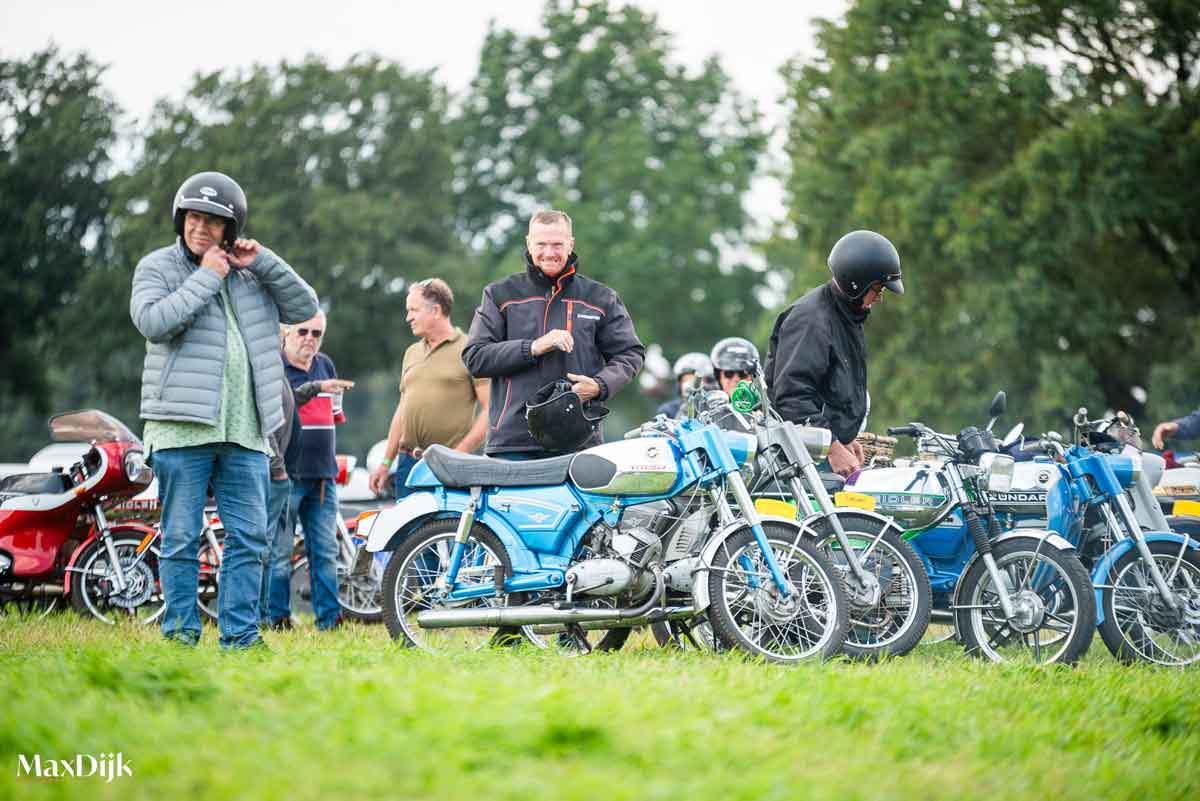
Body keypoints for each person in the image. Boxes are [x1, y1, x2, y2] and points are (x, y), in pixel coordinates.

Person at [130, 170, 318, 649]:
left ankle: (239, 637)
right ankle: (179, 636)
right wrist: (207, 276)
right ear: (181, 219)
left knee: (251, 538)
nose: (201, 228)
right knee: (179, 538)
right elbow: (154, 323)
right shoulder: (156, 267)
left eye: (213, 222)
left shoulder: (254, 273)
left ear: (230, 229)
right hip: (180, 427)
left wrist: (265, 261)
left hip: (247, 431)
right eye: (194, 217)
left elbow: (305, 305)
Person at [463, 209, 645, 457]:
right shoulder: (498, 295)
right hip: (512, 444)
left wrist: (600, 385)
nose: (549, 253)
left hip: (579, 439)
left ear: (570, 245)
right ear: (528, 243)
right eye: (541, 244)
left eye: (557, 244)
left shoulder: (602, 298)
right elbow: (475, 357)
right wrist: (534, 347)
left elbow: (630, 354)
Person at [764, 229, 904, 478]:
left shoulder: (846, 316)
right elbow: (792, 397)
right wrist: (831, 448)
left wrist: (844, 440)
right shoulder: (811, 320)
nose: (880, 298)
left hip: (818, 451)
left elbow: (832, 390)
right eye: (879, 288)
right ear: (857, 283)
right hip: (800, 459)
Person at [368, 278, 490, 499]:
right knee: (407, 532)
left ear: (435, 310)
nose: (408, 317)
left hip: (447, 466)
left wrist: (459, 454)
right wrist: (386, 462)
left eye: (414, 310)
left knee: (444, 532)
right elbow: (402, 410)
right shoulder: (411, 352)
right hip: (407, 465)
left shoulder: (470, 349)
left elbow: (490, 410)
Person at [282, 311, 355, 630]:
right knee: (279, 551)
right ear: (286, 333)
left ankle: (330, 619)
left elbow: (333, 417)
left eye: (316, 333)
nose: (310, 339)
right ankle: (276, 617)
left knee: (325, 551)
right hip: (287, 474)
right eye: (303, 332)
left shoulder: (325, 363)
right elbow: (284, 403)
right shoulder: (275, 367)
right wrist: (317, 386)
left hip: (323, 474)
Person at [259, 327, 303, 630]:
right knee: (264, 548)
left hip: (277, 470)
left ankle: (263, 614)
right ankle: (260, 616)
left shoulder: (275, 371)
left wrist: (314, 389)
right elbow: (266, 421)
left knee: (270, 548)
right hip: (271, 473)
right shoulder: (267, 372)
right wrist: (277, 466)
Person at [656, 352, 714, 419]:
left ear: (709, 382)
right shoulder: (668, 411)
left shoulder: (717, 406)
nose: (689, 384)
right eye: (685, 380)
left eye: (695, 379)